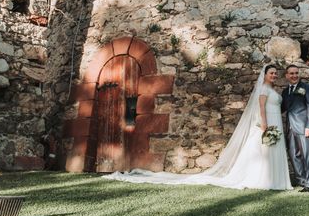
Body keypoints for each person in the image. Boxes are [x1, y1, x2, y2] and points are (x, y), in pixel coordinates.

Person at [103, 64, 292, 190]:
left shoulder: (273, 90)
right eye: (271, 73)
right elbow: (260, 108)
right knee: (262, 153)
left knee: (271, 151)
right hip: (266, 124)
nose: (274, 75)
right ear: (265, 75)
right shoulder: (262, 89)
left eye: (276, 73)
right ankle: (261, 180)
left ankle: (276, 180)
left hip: (276, 123)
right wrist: (264, 125)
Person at [281, 64, 309, 192]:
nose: (294, 75)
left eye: (296, 73)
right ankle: (302, 181)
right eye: (291, 73)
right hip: (290, 128)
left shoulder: (306, 88)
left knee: (306, 155)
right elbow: (283, 108)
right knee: (293, 155)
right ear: (287, 75)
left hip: (303, 127)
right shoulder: (285, 92)